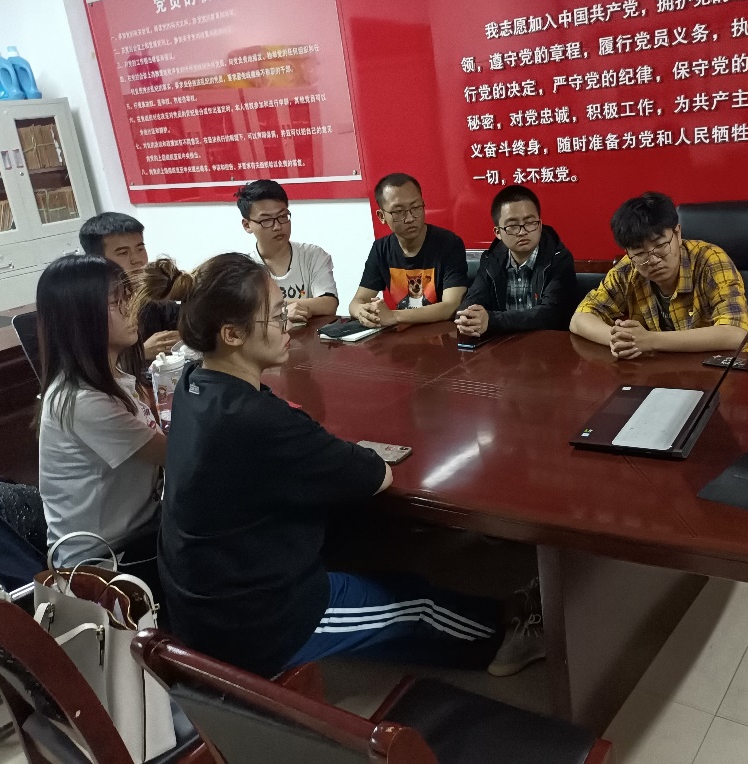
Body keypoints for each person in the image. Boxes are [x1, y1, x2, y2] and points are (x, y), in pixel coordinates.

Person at [138, 254, 542, 678]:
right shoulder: (257, 421)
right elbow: (375, 475)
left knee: (361, 541)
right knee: (417, 605)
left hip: (202, 599)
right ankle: (505, 637)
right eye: (276, 316)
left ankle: (501, 611)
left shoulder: (193, 383)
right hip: (260, 623)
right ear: (232, 334)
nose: (287, 324)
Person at [35, 254, 166, 568]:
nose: (132, 309)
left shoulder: (112, 376)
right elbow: (176, 457)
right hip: (103, 562)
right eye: (117, 302)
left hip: (139, 528)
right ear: (80, 318)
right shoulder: (82, 400)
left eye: (129, 297)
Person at [571, 192, 748, 357]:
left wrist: (651, 341)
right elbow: (580, 318)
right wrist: (620, 340)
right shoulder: (628, 269)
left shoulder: (710, 260)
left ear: (677, 234)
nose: (653, 259)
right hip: (675, 369)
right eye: (639, 253)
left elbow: (735, 334)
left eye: (660, 245)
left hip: (740, 365)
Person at [349, 173, 468, 329]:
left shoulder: (449, 244)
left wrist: (394, 316)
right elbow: (357, 301)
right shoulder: (381, 248)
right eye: (399, 212)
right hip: (404, 336)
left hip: (443, 335)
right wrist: (363, 312)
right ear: (382, 216)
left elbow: (451, 306)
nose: (410, 218)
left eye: (416, 207)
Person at [456, 185, 577, 337]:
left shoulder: (559, 259)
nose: (522, 232)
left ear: (540, 225)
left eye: (530, 223)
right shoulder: (490, 259)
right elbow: (474, 298)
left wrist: (492, 320)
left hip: (547, 343)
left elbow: (550, 315)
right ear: (498, 232)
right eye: (512, 226)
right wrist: (467, 316)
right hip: (502, 345)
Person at [79, 212, 180, 358]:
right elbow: (90, 361)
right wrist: (141, 354)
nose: (137, 259)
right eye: (123, 253)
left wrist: (184, 336)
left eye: (140, 249)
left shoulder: (149, 293)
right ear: (97, 260)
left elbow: (181, 320)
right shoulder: (89, 307)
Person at [238, 179, 339, 325]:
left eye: (282, 217)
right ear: (247, 225)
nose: (277, 226)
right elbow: (241, 315)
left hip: (311, 337)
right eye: (266, 220)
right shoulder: (243, 269)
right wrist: (282, 312)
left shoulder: (313, 255)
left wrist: (269, 311)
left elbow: (329, 304)